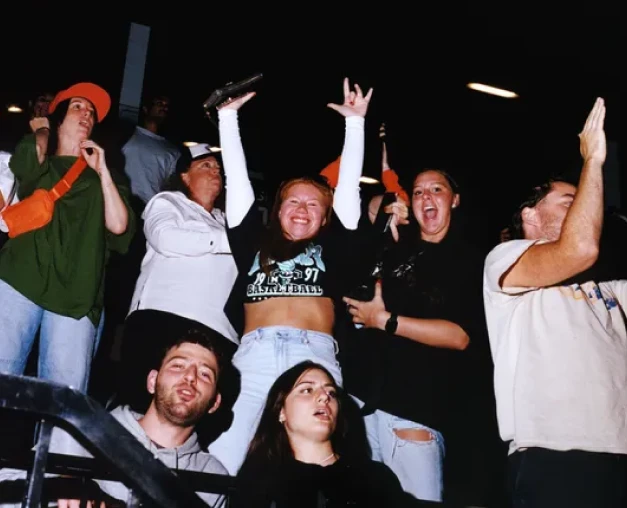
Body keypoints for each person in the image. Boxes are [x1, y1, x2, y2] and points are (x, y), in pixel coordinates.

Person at [208, 78, 373, 474]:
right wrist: (227, 117)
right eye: (293, 202)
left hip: (312, 358)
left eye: (313, 204)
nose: (302, 209)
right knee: (222, 461)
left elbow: (348, 188)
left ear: (325, 216)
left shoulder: (335, 249)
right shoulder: (252, 243)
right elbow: (238, 180)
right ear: (277, 210)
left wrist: (355, 125)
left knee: (314, 468)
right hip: (253, 358)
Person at [483, 98, 627, 507]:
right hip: (554, 453)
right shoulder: (505, 259)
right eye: (569, 201)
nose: (586, 206)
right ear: (530, 216)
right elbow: (579, 247)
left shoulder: (608, 289)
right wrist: (593, 164)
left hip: (620, 452)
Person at [342, 160, 501, 504]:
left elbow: (460, 336)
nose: (426, 197)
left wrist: (385, 321)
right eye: (417, 192)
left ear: (455, 200)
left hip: (414, 408)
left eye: (436, 190)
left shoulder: (470, 261)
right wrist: (381, 221)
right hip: (359, 402)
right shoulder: (396, 246)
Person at [0, 82, 135, 453]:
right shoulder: (37, 152)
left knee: (65, 406)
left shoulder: (106, 174)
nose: (87, 113)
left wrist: (104, 170)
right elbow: (28, 167)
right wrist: (41, 128)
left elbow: (119, 225)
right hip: (20, 278)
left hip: (77, 294)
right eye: (78, 106)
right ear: (60, 118)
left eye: (92, 111)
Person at [120, 143, 238, 411]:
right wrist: (232, 242)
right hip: (163, 318)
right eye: (205, 166)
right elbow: (166, 238)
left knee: (195, 412)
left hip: (217, 331)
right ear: (184, 176)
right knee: (143, 406)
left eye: (219, 168)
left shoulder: (228, 221)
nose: (215, 172)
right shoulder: (168, 202)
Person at [232, 360, 421, 507]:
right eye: (307, 390)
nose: (324, 397)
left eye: (331, 393)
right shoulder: (257, 483)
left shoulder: (375, 479)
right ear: (281, 411)